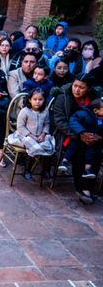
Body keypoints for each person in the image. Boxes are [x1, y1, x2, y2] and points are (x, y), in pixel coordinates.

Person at [52, 74, 101, 204]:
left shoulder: (95, 100)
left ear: (89, 89)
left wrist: (98, 136)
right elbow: (60, 121)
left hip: (92, 136)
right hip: (68, 135)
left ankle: (89, 188)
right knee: (80, 154)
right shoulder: (63, 97)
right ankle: (81, 189)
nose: (77, 90)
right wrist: (80, 135)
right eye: (75, 86)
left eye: (81, 87)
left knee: (95, 153)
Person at [7, 88, 54, 181]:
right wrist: (31, 135)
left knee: (50, 145)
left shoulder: (45, 111)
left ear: (44, 100)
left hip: (40, 135)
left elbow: (47, 123)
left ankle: (46, 170)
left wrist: (43, 134)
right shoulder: (25, 111)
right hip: (24, 135)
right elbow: (20, 127)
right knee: (34, 146)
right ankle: (27, 170)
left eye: (40, 100)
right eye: (35, 99)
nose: (37, 102)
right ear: (30, 100)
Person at [63, 98, 103, 181]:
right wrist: (81, 132)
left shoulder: (101, 118)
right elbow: (73, 121)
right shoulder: (83, 113)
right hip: (80, 137)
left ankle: (87, 170)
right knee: (73, 147)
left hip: (92, 140)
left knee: (91, 152)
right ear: (95, 110)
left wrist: (99, 137)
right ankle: (64, 162)